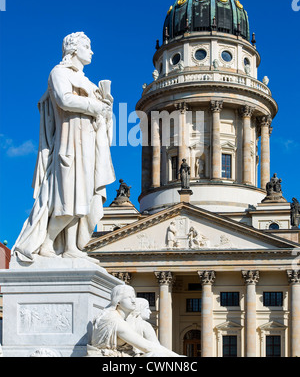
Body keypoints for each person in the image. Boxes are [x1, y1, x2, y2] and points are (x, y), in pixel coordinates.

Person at [12, 32, 115, 262]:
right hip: (69, 144)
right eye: (87, 46)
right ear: (74, 49)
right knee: (67, 199)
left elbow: (101, 116)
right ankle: (47, 242)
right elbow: (64, 100)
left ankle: (71, 247)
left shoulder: (88, 82)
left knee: (85, 199)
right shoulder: (58, 73)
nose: (92, 51)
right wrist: (96, 106)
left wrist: (107, 107)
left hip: (89, 146)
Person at [88, 284, 181, 357]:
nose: (133, 301)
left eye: (134, 297)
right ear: (118, 301)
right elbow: (148, 346)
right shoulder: (115, 321)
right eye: (129, 297)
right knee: (157, 355)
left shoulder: (115, 317)